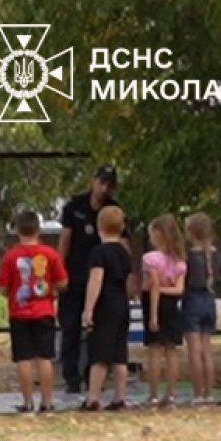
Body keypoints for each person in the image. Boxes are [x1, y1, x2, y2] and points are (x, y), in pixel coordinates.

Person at [57, 165, 122, 394]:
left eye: (109, 184)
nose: (104, 188)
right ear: (93, 181)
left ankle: (94, 376)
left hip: (102, 277)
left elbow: (121, 244)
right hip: (75, 275)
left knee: (99, 329)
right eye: (101, 182)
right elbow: (65, 239)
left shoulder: (113, 210)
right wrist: (60, 271)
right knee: (70, 328)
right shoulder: (74, 206)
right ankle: (71, 378)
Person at [0, 208, 67, 413]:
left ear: (18, 230)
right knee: (45, 357)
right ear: (39, 230)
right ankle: (47, 401)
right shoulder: (50, 254)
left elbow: (2, 287)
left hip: (19, 312)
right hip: (44, 310)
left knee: (24, 359)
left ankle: (28, 402)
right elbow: (63, 281)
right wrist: (51, 290)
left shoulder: (11, 257)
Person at [78, 206, 135, 411]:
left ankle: (93, 398)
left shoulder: (98, 252)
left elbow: (96, 279)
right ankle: (120, 397)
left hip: (105, 305)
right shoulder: (124, 253)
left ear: (99, 226)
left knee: (100, 352)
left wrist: (88, 309)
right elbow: (129, 281)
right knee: (120, 353)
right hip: (122, 303)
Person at [142, 214, 187, 408]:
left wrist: (153, 315)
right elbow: (179, 289)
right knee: (171, 350)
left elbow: (153, 286)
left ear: (158, 234)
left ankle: (153, 393)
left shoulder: (150, 259)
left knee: (154, 350)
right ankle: (171, 393)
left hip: (155, 304)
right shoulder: (180, 262)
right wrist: (165, 288)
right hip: (172, 305)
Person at [183, 214, 219, 405]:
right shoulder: (214, 253)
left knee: (194, 351)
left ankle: (198, 393)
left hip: (193, 299)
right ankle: (209, 392)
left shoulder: (190, 255)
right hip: (210, 299)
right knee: (207, 349)